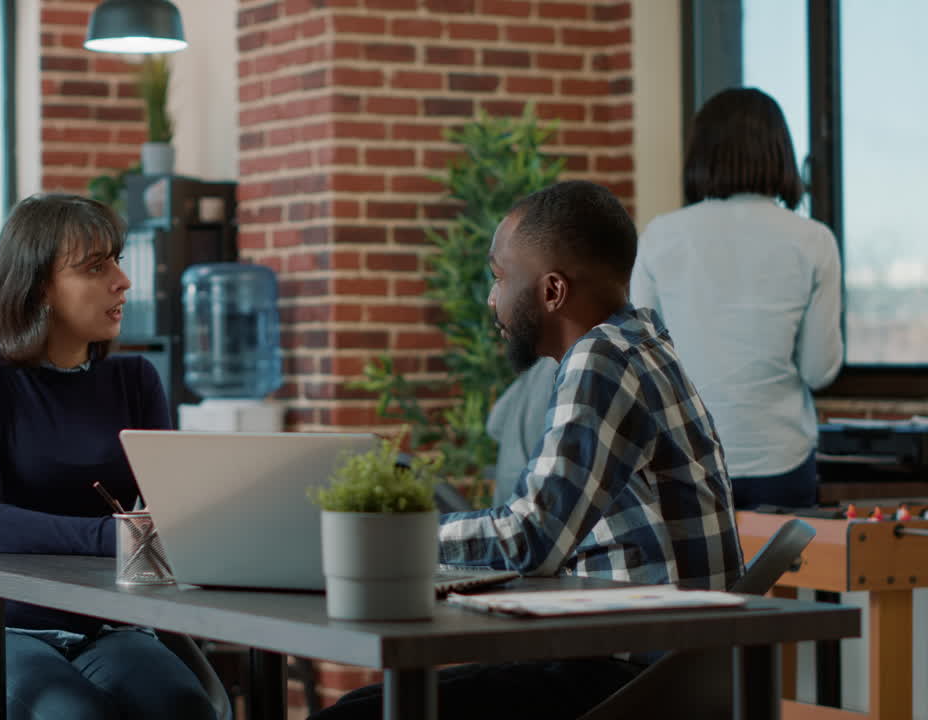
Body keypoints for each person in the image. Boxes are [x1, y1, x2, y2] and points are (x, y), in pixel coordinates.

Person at [315, 181, 744, 720]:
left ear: (551, 292)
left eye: (499, 277)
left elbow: (531, 537)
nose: (491, 298)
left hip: (632, 674)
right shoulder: (644, 340)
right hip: (670, 664)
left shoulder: (600, 359)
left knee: (354, 715)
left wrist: (382, 541)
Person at [0, 193, 219, 720]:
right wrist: (119, 536)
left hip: (108, 621)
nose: (122, 282)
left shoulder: (136, 381)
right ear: (39, 286)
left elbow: (171, 519)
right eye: (95, 267)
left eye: (117, 261)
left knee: (186, 709)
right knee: (72, 713)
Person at [631, 87, 843, 509]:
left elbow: (642, 357)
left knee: (692, 579)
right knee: (778, 576)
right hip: (780, 460)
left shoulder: (660, 236)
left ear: (701, 154)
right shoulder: (814, 240)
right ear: (780, 152)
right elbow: (819, 370)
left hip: (684, 459)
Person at [486, 357, 558, 505]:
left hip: (506, 502)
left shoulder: (539, 365)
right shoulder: (563, 364)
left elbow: (494, 425)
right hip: (532, 506)